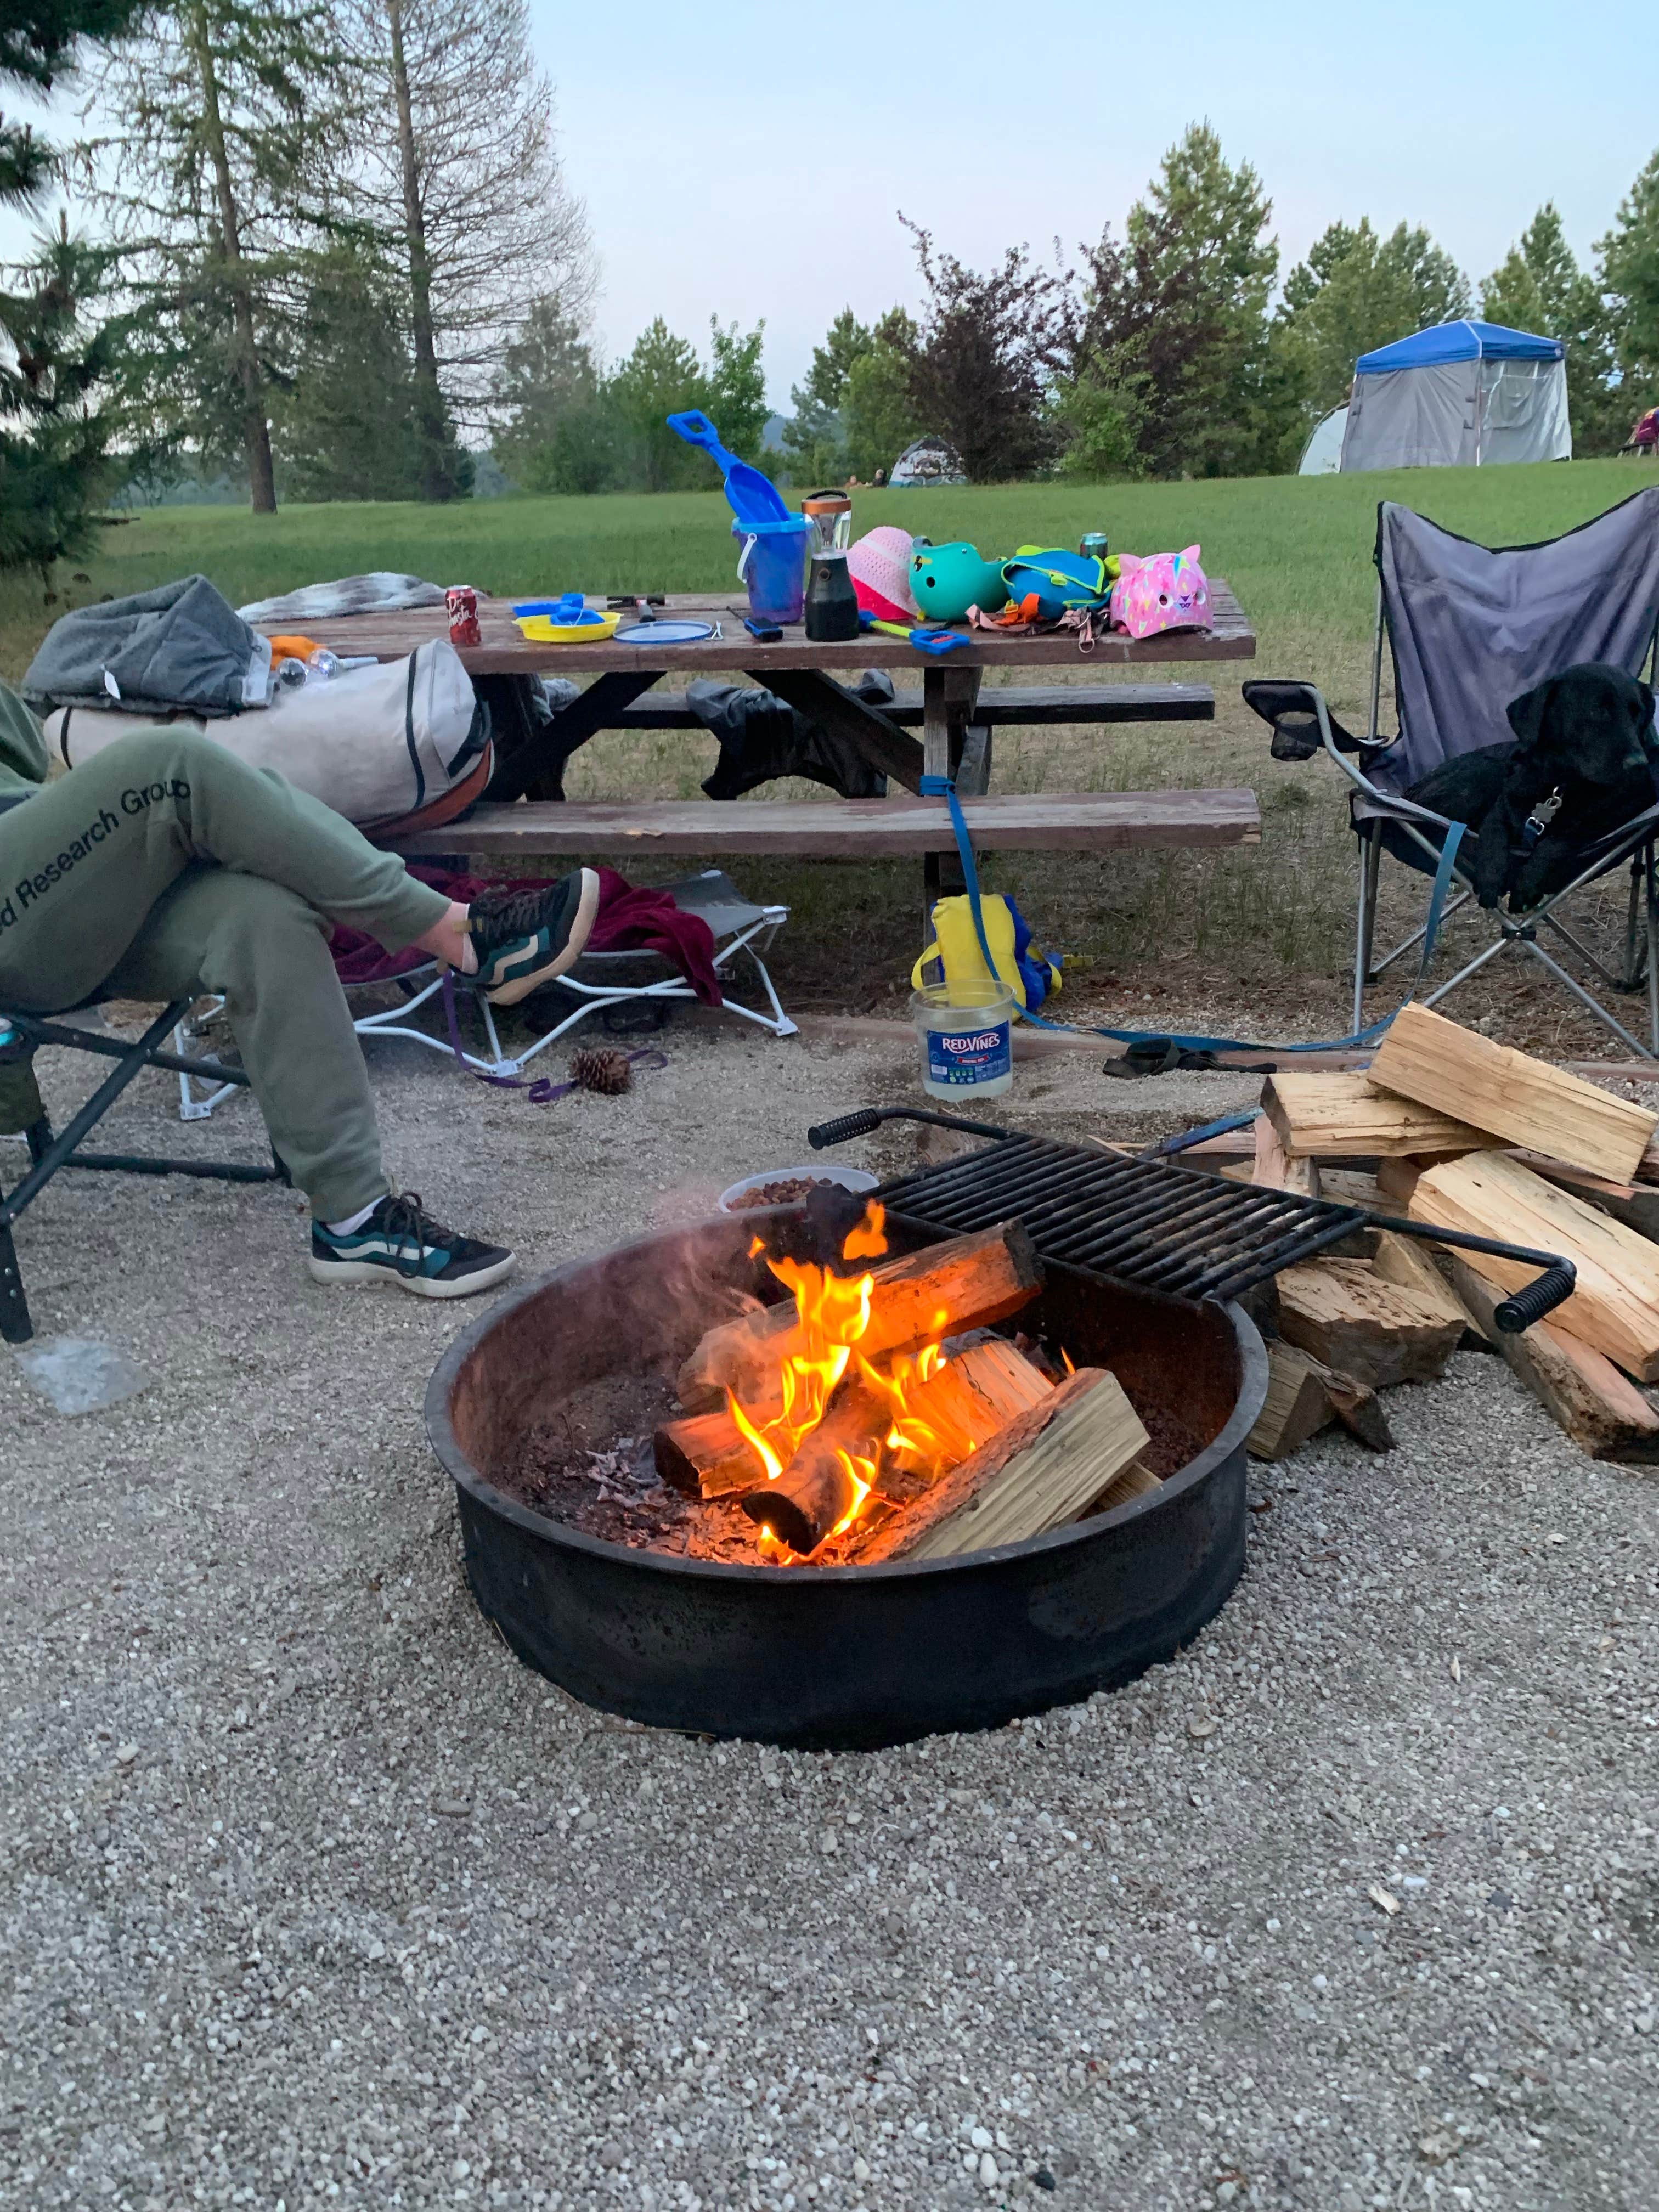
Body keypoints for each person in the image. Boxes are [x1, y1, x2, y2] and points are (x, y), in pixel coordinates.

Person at [0, 680, 598, 1299]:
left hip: (43, 879)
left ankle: (353, 1218)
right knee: (171, 764)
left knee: (264, 917)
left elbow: (21, 747)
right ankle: (463, 937)